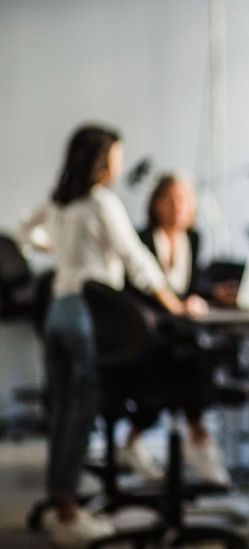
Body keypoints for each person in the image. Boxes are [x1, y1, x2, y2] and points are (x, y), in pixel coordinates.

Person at [19, 125, 201, 545]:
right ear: (101, 159)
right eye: (117, 156)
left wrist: (59, 251)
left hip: (56, 312)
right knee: (81, 412)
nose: (120, 164)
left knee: (61, 411)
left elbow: (26, 232)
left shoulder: (60, 201)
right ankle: (69, 513)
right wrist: (172, 302)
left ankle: (60, 502)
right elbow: (135, 257)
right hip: (88, 314)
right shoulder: (102, 203)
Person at [117, 173, 231, 485]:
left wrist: (210, 294)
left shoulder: (193, 240)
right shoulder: (140, 239)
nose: (177, 207)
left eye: (184, 200)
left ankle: (138, 440)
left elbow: (190, 286)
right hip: (146, 334)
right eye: (170, 199)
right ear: (156, 203)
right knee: (186, 366)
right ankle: (200, 439)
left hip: (180, 333)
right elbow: (138, 290)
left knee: (189, 361)